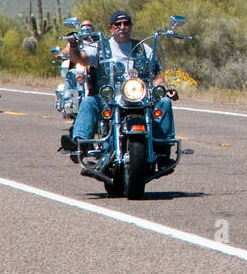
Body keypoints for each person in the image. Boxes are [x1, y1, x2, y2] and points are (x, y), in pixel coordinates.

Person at [61, 11, 175, 162]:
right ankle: (80, 144)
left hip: (138, 97)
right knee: (89, 102)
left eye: (126, 23)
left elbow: (156, 76)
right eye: (118, 24)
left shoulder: (143, 48)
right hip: (108, 98)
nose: (122, 27)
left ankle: (163, 149)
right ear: (111, 28)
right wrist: (73, 45)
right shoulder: (101, 47)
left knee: (165, 102)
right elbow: (78, 58)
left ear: (131, 26)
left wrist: (166, 89)